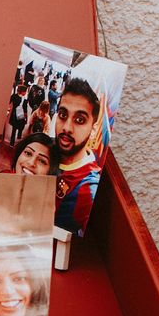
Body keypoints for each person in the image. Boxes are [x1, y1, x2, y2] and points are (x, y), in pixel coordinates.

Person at [54, 77, 102, 236]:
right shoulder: (43, 150)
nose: (67, 127)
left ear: (93, 130)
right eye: (62, 115)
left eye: (79, 120)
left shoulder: (87, 189)